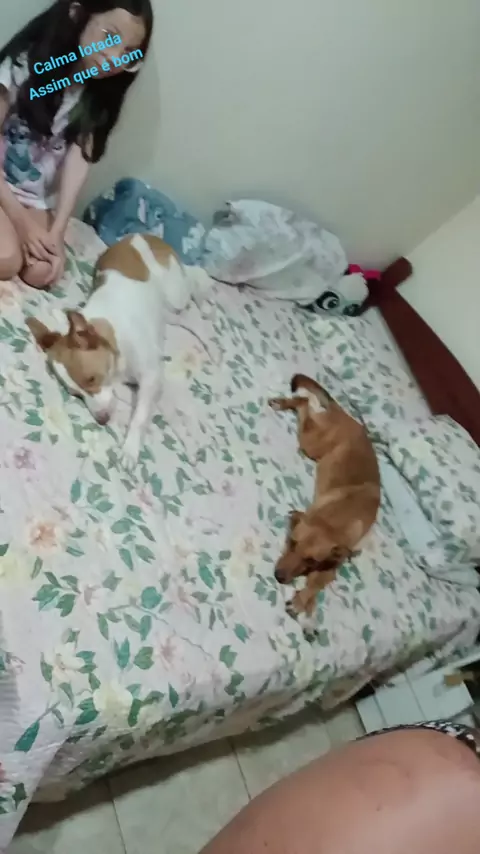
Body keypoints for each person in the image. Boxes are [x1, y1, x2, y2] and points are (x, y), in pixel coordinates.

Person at [0, 0, 153, 289]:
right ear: (77, 14)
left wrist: (57, 231)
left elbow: (79, 159)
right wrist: (21, 223)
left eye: (128, 53)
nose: (114, 58)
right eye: (110, 37)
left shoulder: (95, 92)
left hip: (30, 197)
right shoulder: (25, 64)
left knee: (43, 271)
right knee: (7, 259)